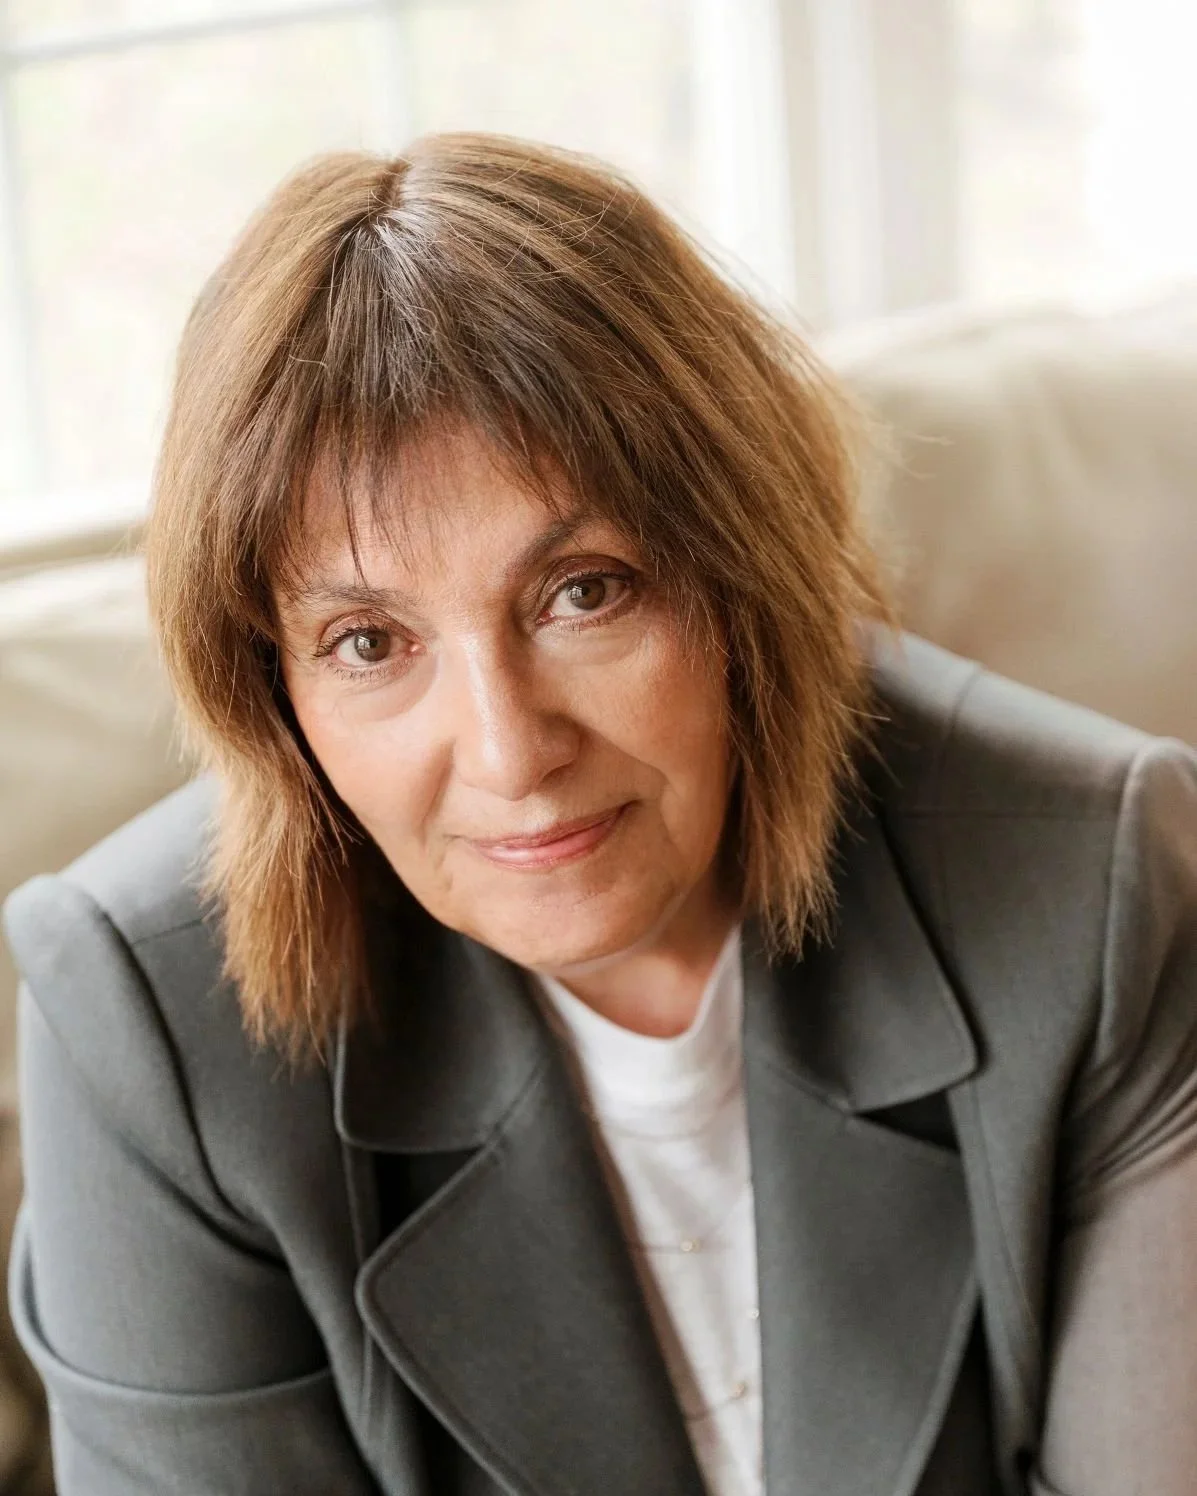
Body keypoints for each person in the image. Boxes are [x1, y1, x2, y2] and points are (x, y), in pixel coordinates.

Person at [5, 132, 1197, 1496]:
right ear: (270, 689)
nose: (510, 754)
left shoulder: (1094, 871)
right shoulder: (140, 1020)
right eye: (369, 643)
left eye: (585, 592)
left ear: (744, 573)